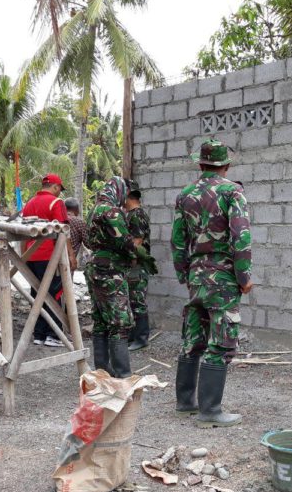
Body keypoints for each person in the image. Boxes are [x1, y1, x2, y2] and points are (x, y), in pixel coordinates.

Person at [171, 138, 252, 428]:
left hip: (197, 275)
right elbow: (241, 237)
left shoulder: (185, 194)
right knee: (220, 342)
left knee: (193, 339)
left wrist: (184, 273)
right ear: (226, 166)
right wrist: (244, 277)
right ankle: (210, 411)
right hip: (223, 277)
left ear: (201, 163)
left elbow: (178, 240)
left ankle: (185, 402)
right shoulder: (233, 193)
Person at [85, 176, 155, 378]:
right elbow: (126, 242)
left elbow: (90, 242)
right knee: (120, 323)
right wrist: (136, 255)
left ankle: (102, 371)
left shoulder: (93, 210)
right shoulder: (112, 211)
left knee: (100, 320)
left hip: (94, 266)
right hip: (110, 271)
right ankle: (123, 375)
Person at [22, 174, 76, 347]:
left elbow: (24, 232)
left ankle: (39, 334)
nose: (60, 193)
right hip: (48, 255)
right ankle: (54, 334)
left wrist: (24, 255)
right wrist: (71, 254)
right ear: (55, 187)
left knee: (37, 294)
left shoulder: (29, 203)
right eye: (59, 189)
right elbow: (63, 231)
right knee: (53, 294)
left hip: (31, 254)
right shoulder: (56, 203)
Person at [124, 180, 151, 351]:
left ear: (128, 195)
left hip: (137, 264)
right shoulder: (132, 214)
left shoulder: (137, 215)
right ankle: (134, 335)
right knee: (133, 301)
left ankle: (141, 338)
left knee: (138, 300)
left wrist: (128, 259)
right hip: (134, 264)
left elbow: (137, 240)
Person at [64, 197, 89, 270]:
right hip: (70, 260)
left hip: (53, 258)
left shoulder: (57, 219)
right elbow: (87, 243)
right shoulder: (79, 223)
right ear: (77, 210)